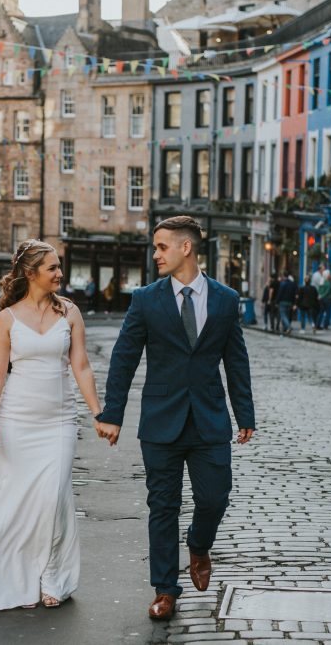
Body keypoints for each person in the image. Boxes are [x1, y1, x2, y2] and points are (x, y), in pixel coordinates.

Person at [97, 215, 255, 621]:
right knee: (162, 506)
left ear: (186, 248)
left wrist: (244, 413)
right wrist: (112, 412)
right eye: (155, 247)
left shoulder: (224, 299)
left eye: (162, 247)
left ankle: (199, 545)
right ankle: (165, 590)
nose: (156, 255)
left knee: (214, 498)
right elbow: (124, 358)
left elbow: (236, 361)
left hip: (209, 420)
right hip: (161, 421)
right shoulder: (146, 299)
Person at [0, 239, 103, 611]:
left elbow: (81, 366)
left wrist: (98, 412)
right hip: (17, 420)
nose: (60, 274)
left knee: (54, 497)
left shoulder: (70, 313)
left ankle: (53, 576)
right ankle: (16, 580)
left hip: (60, 421)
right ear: (31, 273)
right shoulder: (7, 319)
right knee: (17, 503)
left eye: (59, 266)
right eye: (52, 268)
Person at [316, 265, 331, 330]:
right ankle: (325, 325)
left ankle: (318, 324)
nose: (330, 275)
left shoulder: (322, 281)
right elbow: (327, 292)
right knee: (328, 312)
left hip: (321, 299)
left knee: (321, 312)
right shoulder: (327, 283)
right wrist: (323, 296)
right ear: (327, 275)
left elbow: (319, 290)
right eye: (329, 274)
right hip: (327, 299)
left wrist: (320, 296)